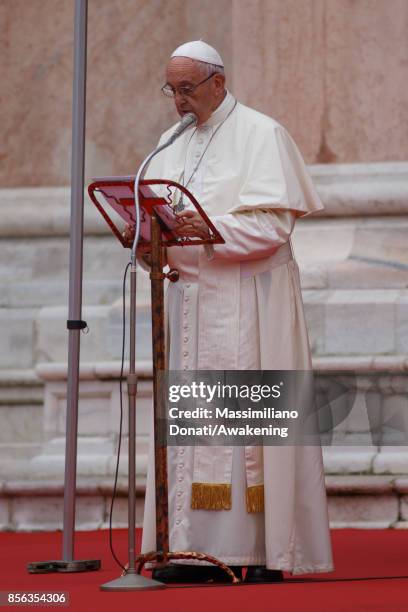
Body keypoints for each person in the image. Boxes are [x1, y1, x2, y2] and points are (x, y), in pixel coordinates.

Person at [133, 40, 333, 583]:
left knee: (250, 432)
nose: (178, 101)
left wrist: (206, 230)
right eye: (171, 90)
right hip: (191, 300)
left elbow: (273, 227)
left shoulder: (261, 134)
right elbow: (158, 217)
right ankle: (191, 549)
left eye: (187, 88)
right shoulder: (168, 145)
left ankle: (261, 552)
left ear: (218, 82)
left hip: (249, 297)